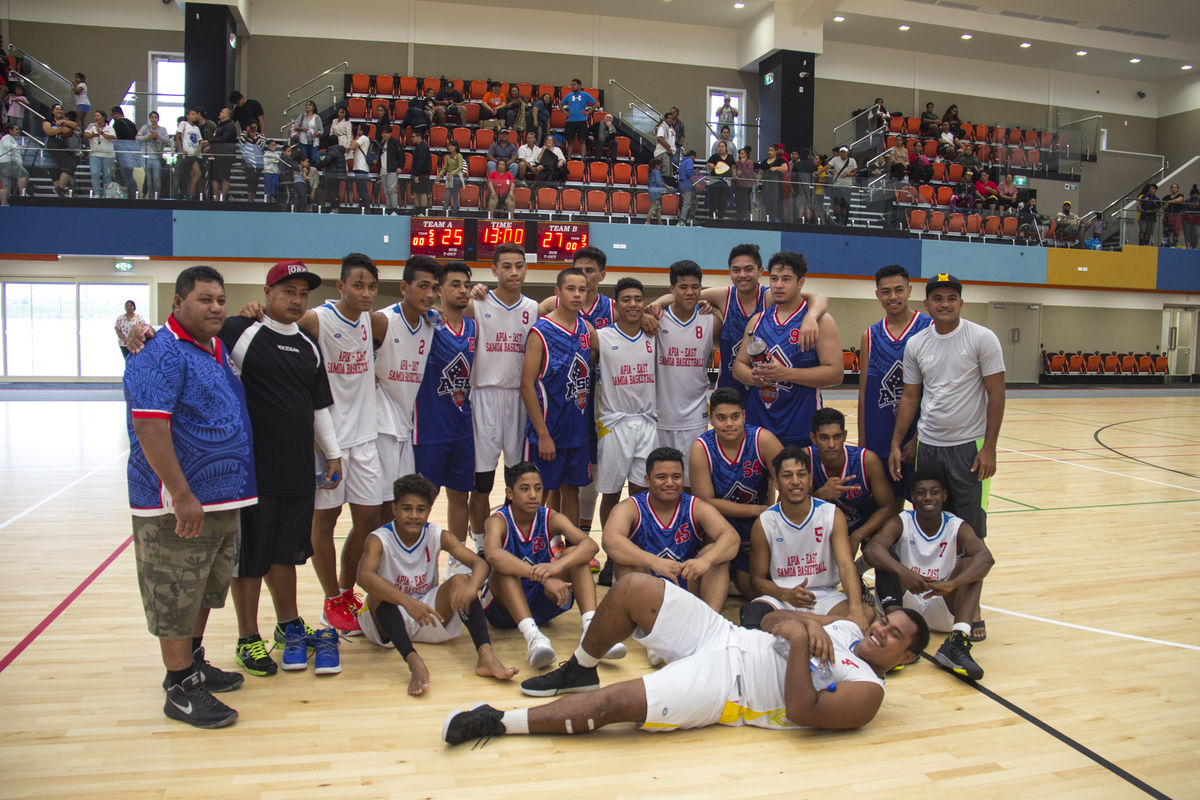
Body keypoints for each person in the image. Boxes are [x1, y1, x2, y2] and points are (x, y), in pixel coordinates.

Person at [442, 572, 927, 742]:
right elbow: (767, 618)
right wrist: (796, 624)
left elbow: (804, 711)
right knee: (633, 587)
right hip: (725, 634)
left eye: (895, 636)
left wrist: (800, 640)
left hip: (728, 688)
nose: (883, 630)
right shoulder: (844, 627)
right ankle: (579, 669)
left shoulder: (869, 692)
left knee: (615, 707)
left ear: (904, 659)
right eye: (888, 622)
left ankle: (499, 721)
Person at [123, 266, 253, 728]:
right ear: (178, 303)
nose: (216, 307)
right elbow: (150, 425)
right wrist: (180, 494)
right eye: (204, 299)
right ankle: (178, 687)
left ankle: (192, 664)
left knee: (202, 589)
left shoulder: (213, 346)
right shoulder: (158, 351)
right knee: (175, 594)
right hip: (177, 505)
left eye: (220, 299)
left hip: (222, 499)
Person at [889, 273, 1004, 643]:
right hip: (929, 447)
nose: (945, 304)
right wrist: (899, 442)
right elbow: (911, 398)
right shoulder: (917, 344)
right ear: (927, 304)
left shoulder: (982, 339)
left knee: (971, 532)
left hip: (968, 448)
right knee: (931, 525)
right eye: (937, 298)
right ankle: (934, 597)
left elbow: (996, 394)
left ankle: (972, 610)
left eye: (951, 298)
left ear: (961, 302)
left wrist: (989, 447)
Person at [358, 474, 517, 695]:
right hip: (389, 619)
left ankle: (486, 657)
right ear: (394, 509)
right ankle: (414, 661)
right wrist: (406, 602)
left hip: (428, 612)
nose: (414, 515)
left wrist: (471, 589)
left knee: (461, 580)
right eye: (407, 509)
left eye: (420, 509)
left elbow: (479, 563)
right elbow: (364, 577)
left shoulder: (436, 534)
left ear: (429, 511)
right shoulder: (379, 538)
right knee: (378, 588)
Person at [865, 467, 994, 679]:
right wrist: (904, 572)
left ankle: (957, 641)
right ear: (913, 497)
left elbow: (986, 558)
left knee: (973, 565)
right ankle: (896, 637)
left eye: (934, 492)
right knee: (885, 558)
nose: (928, 497)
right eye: (921, 492)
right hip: (905, 605)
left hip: (941, 601)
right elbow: (871, 550)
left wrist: (952, 584)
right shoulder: (902, 520)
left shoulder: (955, 525)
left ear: (944, 495)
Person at [481, 462, 612, 669]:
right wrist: (544, 577)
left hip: (539, 598)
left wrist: (558, 568)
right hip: (502, 610)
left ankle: (591, 628)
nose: (533, 495)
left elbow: (590, 545)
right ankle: (533, 638)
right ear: (510, 493)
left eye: (538, 488)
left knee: (574, 556)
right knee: (503, 569)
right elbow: (493, 556)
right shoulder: (498, 521)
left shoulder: (550, 517)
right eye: (525, 489)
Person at [601, 446, 739, 631]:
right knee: (625, 560)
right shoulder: (631, 507)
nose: (669, 483)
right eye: (661, 477)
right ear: (647, 480)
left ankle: (710, 625)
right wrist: (654, 562)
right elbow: (610, 541)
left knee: (715, 554)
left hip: (685, 583)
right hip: (647, 584)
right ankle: (648, 626)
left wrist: (705, 561)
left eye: (676, 477)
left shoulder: (694, 505)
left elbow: (731, 538)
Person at [739, 446, 867, 634]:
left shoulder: (831, 514)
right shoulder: (765, 522)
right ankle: (824, 625)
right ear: (776, 482)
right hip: (783, 597)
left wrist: (856, 611)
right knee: (751, 615)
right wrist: (784, 594)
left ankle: (806, 625)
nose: (795, 482)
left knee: (866, 614)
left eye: (801, 474)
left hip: (824, 596)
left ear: (810, 479)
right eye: (787, 476)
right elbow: (757, 580)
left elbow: (847, 566)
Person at [468, 243, 540, 550]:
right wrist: (471, 291)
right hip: (483, 396)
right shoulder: (478, 303)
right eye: (507, 266)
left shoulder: (534, 308)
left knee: (517, 481)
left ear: (526, 269)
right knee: (481, 483)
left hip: (518, 400)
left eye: (519, 266)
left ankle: (512, 540)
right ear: (494, 270)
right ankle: (482, 544)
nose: (514, 272)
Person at [732, 251, 842, 448]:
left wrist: (786, 373)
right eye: (774, 279)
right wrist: (752, 377)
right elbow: (738, 366)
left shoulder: (820, 321)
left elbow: (835, 374)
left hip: (800, 427)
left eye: (786, 279)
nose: (778, 285)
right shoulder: (757, 321)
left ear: (801, 282)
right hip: (758, 427)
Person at [520, 267, 598, 527]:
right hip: (548, 432)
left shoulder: (587, 330)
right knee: (536, 494)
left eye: (582, 289)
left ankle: (572, 551)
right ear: (557, 292)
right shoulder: (540, 331)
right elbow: (526, 386)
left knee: (571, 492)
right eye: (570, 289)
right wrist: (542, 435)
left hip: (577, 432)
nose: (577, 294)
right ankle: (530, 549)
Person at [688, 387, 782, 598]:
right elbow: (705, 502)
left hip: (756, 522)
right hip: (719, 522)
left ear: (744, 416)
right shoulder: (701, 448)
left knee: (750, 589)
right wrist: (758, 510)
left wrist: (771, 523)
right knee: (713, 554)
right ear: (711, 418)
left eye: (734, 417)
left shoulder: (762, 440)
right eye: (721, 418)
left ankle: (743, 572)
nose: (729, 424)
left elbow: (788, 482)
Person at [413, 261, 476, 549]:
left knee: (460, 495)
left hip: (462, 426)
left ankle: (457, 559)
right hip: (429, 428)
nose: (462, 290)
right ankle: (415, 557)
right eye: (455, 284)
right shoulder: (426, 322)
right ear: (439, 290)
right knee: (423, 497)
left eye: (466, 284)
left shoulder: (473, 326)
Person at [374, 257, 439, 525]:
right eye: (423, 286)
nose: (430, 294)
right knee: (373, 515)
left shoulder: (429, 324)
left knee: (396, 511)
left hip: (404, 428)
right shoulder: (382, 321)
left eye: (435, 288)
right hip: (378, 429)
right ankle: (362, 569)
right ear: (404, 287)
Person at [858, 264, 932, 498]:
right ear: (877, 294)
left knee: (924, 506)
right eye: (886, 291)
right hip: (879, 435)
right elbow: (863, 393)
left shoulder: (929, 328)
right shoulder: (870, 335)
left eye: (899, 290)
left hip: (918, 436)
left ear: (910, 291)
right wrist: (862, 441)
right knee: (885, 507)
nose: (893, 297)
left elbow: (937, 390)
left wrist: (918, 438)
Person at [594, 278, 658, 527]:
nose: (633, 304)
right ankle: (611, 552)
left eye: (638, 299)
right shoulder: (600, 336)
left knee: (641, 494)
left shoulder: (655, 336)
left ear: (645, 303)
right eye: (626, 299)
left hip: (647, 422)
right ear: (616, 305)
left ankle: (637, 547)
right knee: (610, 493)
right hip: (613, 424)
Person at [652, 260, 716, 490]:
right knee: (660, 482)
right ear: (672, 289)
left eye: (695, 286)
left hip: (695, 417)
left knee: (692, 484)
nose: (690, 292)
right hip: (660, 416)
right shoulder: (655, 320)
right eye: (683, 287)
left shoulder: (711, 320)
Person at [808, 407, 896, 556]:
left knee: (885, 546)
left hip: (863, 520)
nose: (831, 444)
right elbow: (787, 507)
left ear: (845, 435)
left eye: (836, 437)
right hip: (824, 524)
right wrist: (820, 495)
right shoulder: (805, 460)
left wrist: (858, 535)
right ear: (813, 438)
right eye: (824, 437)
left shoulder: (867, 461)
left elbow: (888, 507)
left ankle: (862, 571)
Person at [83, 109, 116, 197]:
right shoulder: (91, 126)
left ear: (103, 117)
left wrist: (101, 133)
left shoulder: (109, 128)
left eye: (98, 116)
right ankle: (96, 193)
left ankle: (106, 194)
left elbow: (112, 137)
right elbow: (85, 135)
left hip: (108, 155)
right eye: (95, 116)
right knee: (95, 173)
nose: (96, 118)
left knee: (107, 175)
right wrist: (93, 135)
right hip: (95, 154)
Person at [110, 107, 141, 199]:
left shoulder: (118, 124)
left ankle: (133, 195)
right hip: (132, 153)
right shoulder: (131, 123)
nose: (112, 117)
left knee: (127, 176)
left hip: (123, 153)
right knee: (122, 174)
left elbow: (115, 138)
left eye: (113, 115)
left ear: (116, 114)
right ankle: (125, 194)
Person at [137, 111, 169, 198]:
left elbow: (167, 140)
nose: (154, 119)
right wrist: (148, 137)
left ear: (158, 118)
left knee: (156, 178)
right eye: (152, 117)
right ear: (149, 118)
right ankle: (151, 196)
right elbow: (137, 138)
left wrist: (158, 136)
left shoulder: (162, 129)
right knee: (149, 179)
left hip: (156, 156)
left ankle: (157, 196)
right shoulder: (145, 127)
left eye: (155, 117)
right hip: (146, 156)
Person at [561, 79, 596, 158]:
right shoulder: (568, 95)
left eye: (574, 84)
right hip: (570, 121)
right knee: (570, 141)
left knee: (582, 141)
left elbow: (595, 103)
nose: (572, 86)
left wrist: (588, 112)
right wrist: (565, 112)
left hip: (582, 120)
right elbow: (560, 104)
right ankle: (569, 158)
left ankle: (582, 160)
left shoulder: (585, 95)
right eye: (572, 85)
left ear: (579, 85)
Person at [176, 109, 204, 200]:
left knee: (194, 175)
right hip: (188, 154)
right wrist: (181, 150)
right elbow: (177, 137)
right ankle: (190, 195)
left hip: (195, 154)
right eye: (192, 114)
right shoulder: (183, 124)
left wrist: (199, 149)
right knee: (197, 174)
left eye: (195, 114)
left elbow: (200, 141)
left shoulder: (196, 128)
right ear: (187, 115)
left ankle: (192, 194)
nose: (194, 116)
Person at [0, 120, 29, 204]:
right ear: (10, 131)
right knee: (23, 174)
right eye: (16, 129)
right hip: (6, 163)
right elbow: (8, 146)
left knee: (6, 186)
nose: (18, 131)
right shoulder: (7, 138)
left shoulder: (11, 139)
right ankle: (22, 195)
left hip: (3, 164)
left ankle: (4, 205)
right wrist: (18, 146)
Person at [706, 140, 735, 219]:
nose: (720, 148)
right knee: (714, 200)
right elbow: (708, 165)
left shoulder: (730, 157)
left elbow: (733, 168)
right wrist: (711, 165)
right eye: (719, 146)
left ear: (726, 148)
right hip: (715, 182)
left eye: (722, 146)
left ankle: (720, 217)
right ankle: (711, 216)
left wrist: (734, 177)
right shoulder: (714, 157)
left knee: (723, 201)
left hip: (726, 183)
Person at [238, 123, 266, 202]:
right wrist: (246, 133)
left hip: (258, 162)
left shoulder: (261, 136)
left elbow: (262, 146)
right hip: (248, 161)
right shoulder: (244, 134)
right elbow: (241, 144)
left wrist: (254, 137)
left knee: (255, 180)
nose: (253, 129)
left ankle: (252, 199)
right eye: (251, 127)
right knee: (250, 179)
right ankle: (249, 199)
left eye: (254, 127)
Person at [378, 123, 403, 214]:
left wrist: (400, 166)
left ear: (390, 133)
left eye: (387, 133)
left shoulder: (395, 142)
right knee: (386, 191)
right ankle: (388, 209)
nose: (385, 135)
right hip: (383, 169)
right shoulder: (381, 143)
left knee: (392, 189)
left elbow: (401, 156)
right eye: (383, 133)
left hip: (392, 169)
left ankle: (394, 209)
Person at [761, 143, 788, 222]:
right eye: (769, 150)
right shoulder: (764, 161)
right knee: (766, 203)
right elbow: (760, 173)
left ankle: (776, 219)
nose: (769, 152)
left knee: (775, 203)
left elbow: (785, 168)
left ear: (776, 152)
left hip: (776, 186)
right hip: (766, 186)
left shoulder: (780, 160)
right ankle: (767, 218)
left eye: (771, 150)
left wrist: (776, 168)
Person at [409, 126, 432, 215]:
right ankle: (417, 210)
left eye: (413, 137)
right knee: (416, 193)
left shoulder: (423, 146)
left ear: (419, 137)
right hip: (417, 174)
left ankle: (422, 211)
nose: (412, 138)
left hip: (421, 174)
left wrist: (417, 175)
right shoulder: (418, 147)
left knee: (422, 193)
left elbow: (421, 161)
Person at [293, 99, 323, 166]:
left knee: (313, 159)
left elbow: (321, 130)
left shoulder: (317, 117)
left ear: (313, 107)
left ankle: (312, 173)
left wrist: (316, 134)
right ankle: (304, 173)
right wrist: (302, 128)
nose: (307, 106)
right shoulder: (302, 116)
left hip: (314, 141)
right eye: (306, 105)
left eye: (309, 105)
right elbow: (295, 126)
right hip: (303, 140)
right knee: (304, 158)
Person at [652, 108, 676, 178]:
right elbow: (659, 138)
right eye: (669, 118)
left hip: (668, 153)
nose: (671, 120)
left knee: (668, 174)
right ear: (665, 119)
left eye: (672, 119)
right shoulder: (662, 127)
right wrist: (668, 148)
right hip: (663, 152)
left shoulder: (671, 128)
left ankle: (664, 187)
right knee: (664, 174)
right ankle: (662, 188)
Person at [676, 149, 698, 226]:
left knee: (694, 201)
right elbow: (689, 172)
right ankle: (682, 220)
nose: (694, 160)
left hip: (682, 184)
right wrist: (695, 183)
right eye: (694, 158)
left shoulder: (683, 162)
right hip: (687, 185)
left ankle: (690, 217)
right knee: (687, 203)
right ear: (692, 156)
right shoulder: (689, 161)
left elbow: (685, 172)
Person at [734, 147, 755, 220]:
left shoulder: (750, 162)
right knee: (738, 201)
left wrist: (743, 164)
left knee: (745, 202)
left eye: (742, 153)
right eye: (740, 154)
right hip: (739, 185)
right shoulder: (737, 163)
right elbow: (735, 171)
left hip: (747, 185)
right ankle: (739, 216)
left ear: (746, 154)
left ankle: (746, 216)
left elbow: (748, 173)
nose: (740, 155)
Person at [1161, 182, 1185, 248]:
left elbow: (1179, 200)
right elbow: (1162, 203)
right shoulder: (1167, 197)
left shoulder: (1180, 195)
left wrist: (1170, 201)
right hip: (1167, 217)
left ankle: (1174, 245)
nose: (1173, 189)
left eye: (1175, 187)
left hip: (1176, 217)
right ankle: (1166, 245)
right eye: (1172, 187)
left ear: (1177, 189)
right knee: (1166, 232)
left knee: (1175, 232)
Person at [1183, 185, 1200, 250]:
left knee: (1196, 233)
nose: (1194, 195)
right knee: (1187, 234)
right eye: (1193, 194)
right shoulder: (1187, 200)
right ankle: (1188, 246)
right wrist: (1189, 214)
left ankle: (1194, 246)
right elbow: (1184, 209)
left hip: (1197, 220)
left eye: (1196, 194)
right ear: (1191, 194)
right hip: (1188, 220)